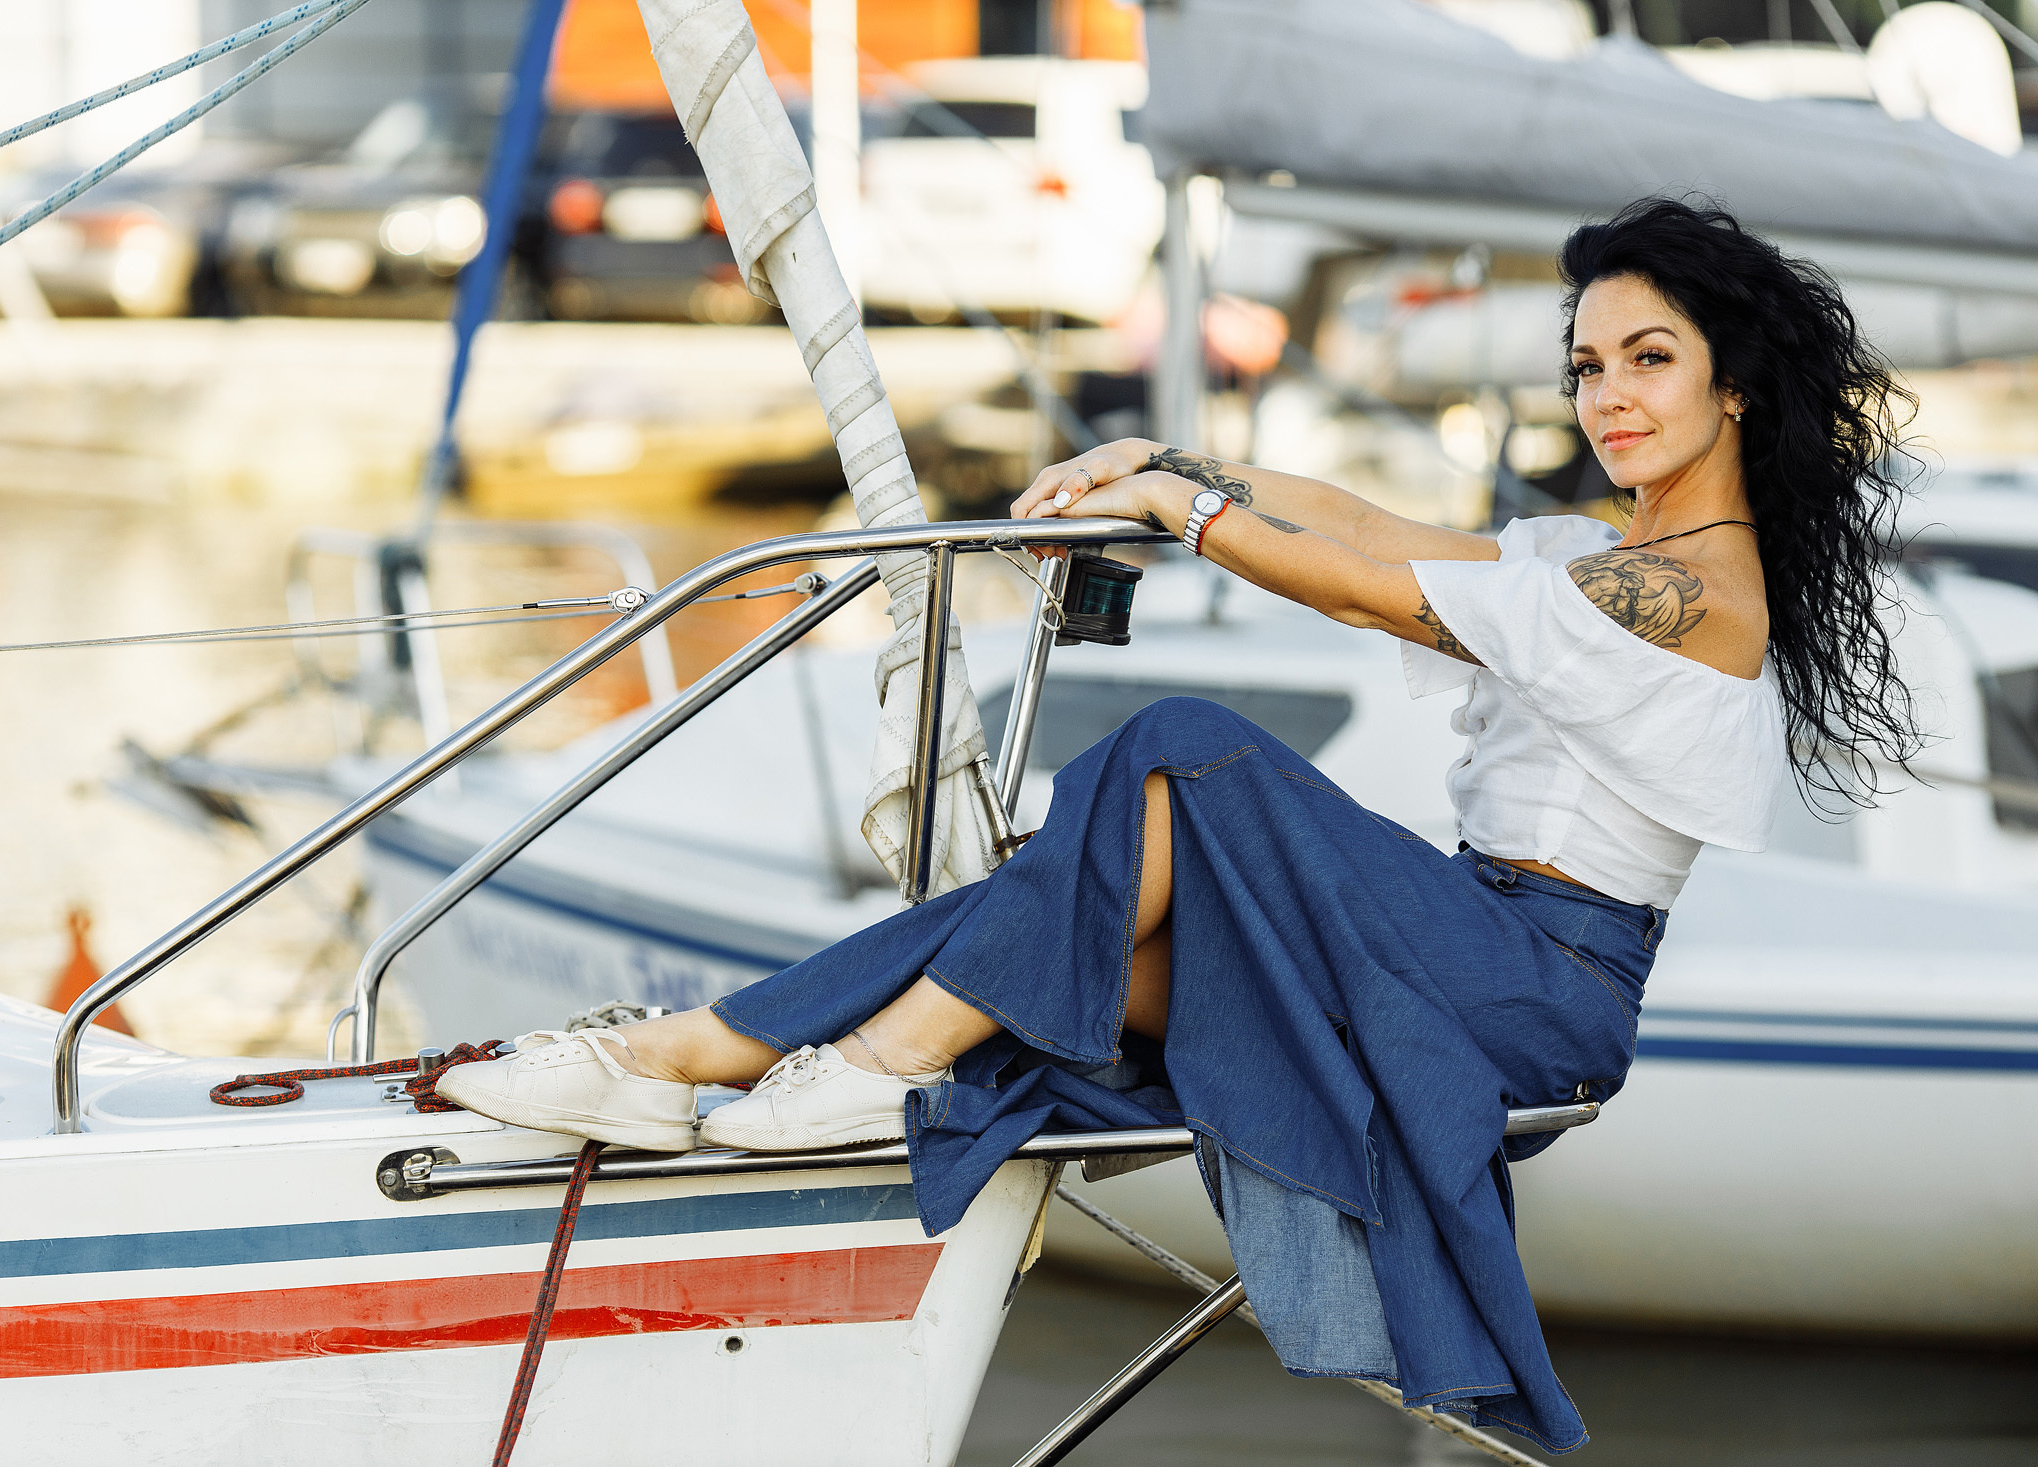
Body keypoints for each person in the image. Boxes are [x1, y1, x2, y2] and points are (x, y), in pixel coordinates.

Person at [438, 197, 1921, 1452]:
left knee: (1182, 752)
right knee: (1075, 915)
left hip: (1538, 987)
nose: (1608, 395)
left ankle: (849, 1066)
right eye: (1588, 363)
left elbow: (1363, 591)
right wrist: (1167, 468)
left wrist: (1176, 509)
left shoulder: (1690, 590)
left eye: (1650, 359)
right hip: (1461, 937)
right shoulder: (1600, 552)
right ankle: (684, 1056)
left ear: (1735, 384)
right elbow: (1368, 528)